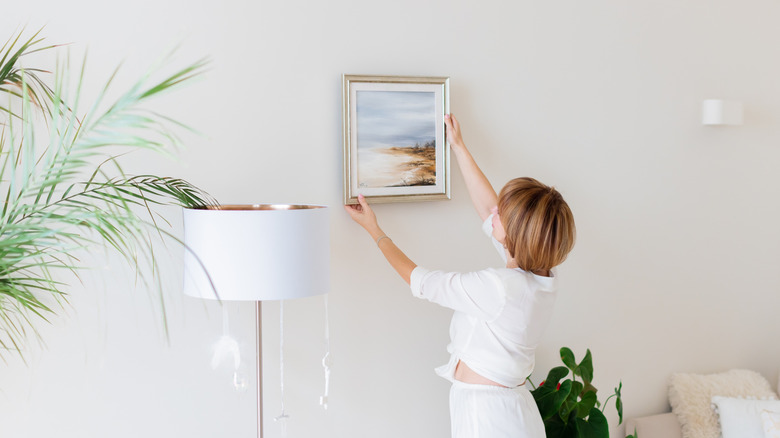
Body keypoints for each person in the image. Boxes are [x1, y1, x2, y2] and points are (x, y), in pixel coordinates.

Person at [344, 114, 576, 438]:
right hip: (508, 413)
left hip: (492, 419)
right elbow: (488, 210)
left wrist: (374, 230)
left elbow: (420, 281)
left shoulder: (499, 287)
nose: (495, 211)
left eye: (502, 214)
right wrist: (458, 147)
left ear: (514, 237)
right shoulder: (539, 277)